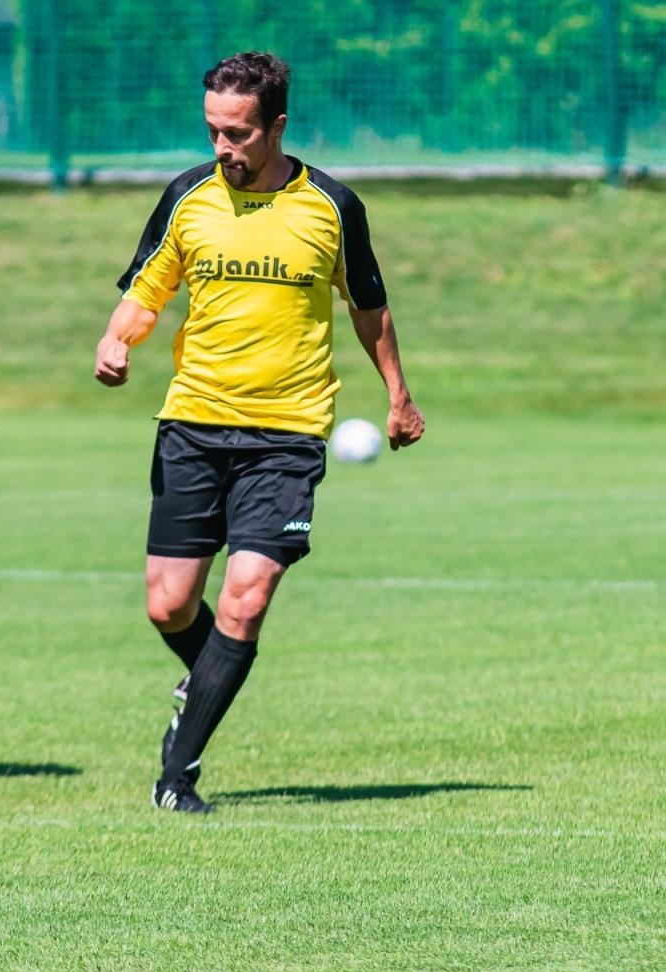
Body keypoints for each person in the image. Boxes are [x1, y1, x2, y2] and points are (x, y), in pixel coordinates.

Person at [93, 52, 425, 814]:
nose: (222, 147)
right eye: (212, 130)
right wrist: (118, 341)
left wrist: (399, 395)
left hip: (288, 431)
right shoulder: (187, 197)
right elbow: (146, 290)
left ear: (277, 125)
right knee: (169, 605)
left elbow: (369, 307)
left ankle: (177, 774)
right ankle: (210, 671)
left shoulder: (333, 206)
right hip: (192, 423)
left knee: (246, 597)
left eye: (238, 133)